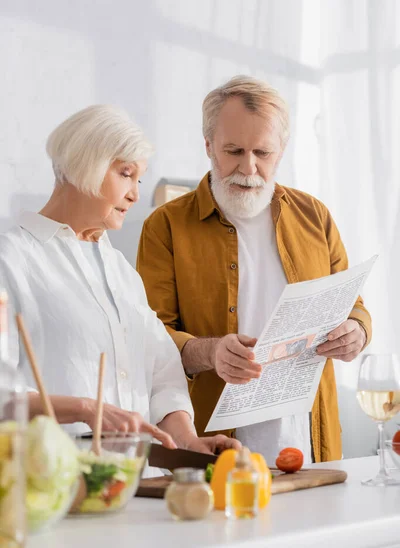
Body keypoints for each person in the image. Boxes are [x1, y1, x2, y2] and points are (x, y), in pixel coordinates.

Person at [136, 76, 372, 464]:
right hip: (215, 445)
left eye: (263, 151)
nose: (249, 167)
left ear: (281, 150)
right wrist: (210, 352)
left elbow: (354, 305)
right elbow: (149, 340)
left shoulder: (315, 216)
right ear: (208, 145)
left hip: (312, 439)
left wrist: (357, 330)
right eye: (234, 150)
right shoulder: (166, 227)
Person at [0, 105, 239, 473]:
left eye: (139, 179)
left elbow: (162, 371)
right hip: (51, 491)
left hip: (134, 487)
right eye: (126, 174)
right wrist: (83, 409)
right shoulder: (10, 259)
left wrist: (187, 442)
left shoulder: (121, 271)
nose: (134, 194)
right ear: (84, 164)